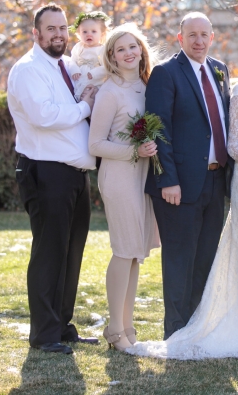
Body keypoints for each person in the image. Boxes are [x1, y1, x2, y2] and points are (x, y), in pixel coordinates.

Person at [129, 30, 238, 360]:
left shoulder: (228, 74)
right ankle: (179, 332)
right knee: (187, 258)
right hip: (237, 181)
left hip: (231, 183)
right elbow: (227, 142)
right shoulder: (219, 83)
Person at [7, 3, 99, 354]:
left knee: (71, 252)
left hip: (74, 175)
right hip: (45, 172)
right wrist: (85, 107)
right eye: (51, 29)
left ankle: (61, 325)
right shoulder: (28, 69)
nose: (59, 34)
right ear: (37, 33)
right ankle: (44, 335)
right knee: (49, 252)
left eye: (63, 28)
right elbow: (44, 115)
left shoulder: (66, 65)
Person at [144, 11, 233, 339]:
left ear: (212, 38)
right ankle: (175, 332)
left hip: (215, 180)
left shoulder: (220, 70)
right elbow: (158, 128)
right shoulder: (166, 74)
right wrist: (167, 179)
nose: (198, 40)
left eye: (204, 35)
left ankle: (198, 328)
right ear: (180, 38)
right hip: (179, 185)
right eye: (191, 35)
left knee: (205, 260)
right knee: (180, 260)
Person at [88, 23, 161, 352]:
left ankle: (127, 326)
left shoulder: (147, 86)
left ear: (141, 50)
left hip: (141, 175)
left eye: (134, 46)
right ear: (112, 57)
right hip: (118, 176)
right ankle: (114, 330)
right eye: (121, 49)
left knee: (134, 253)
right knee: (123, 250)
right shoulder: (110, 91)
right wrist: (134, 150)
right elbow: (96, 144)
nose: (129, 52)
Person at [68, 11, 111, 100]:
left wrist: (94, 73)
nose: (89, 34)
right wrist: (74, 70)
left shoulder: (102, 49)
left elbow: (107, 67)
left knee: (93, 97)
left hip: (95, 81)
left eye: (94, 31)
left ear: (101, 34)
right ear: (79, 34)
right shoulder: (78, 47)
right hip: (79, 78)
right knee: (77, 94)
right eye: (84, 32)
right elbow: (72, 60)